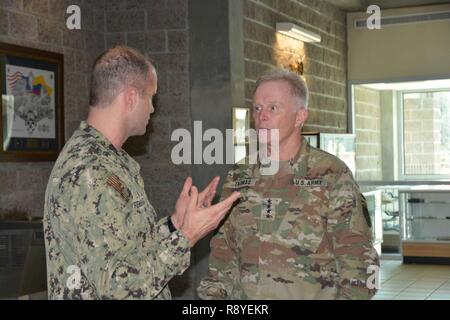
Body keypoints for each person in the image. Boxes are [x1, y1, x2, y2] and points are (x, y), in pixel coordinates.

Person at [43, 46, 240, 300]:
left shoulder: (112, 160)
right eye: (151, 97)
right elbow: (115, 288)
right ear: (131, 98)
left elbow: (129, 250)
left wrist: (175, 224)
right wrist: (186, 237)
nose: (152, 109)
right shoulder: (89, 171)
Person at [197, 68, 379, 300]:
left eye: (273, 108)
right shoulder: (240, 175)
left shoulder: (331, 174)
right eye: (257, 108)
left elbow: (359, 259)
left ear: (300, 116)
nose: (262, 116)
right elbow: (224, 251)